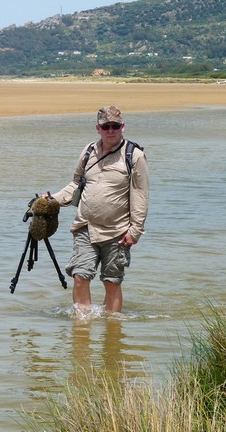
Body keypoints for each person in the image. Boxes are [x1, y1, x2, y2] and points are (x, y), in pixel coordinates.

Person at [49, 105, 149, 313]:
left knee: (111, 282)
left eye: (115, 126)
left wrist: (135, 231)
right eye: (106, 127)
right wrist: (51, 200)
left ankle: (112, 332)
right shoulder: (88, 152)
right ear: (98, 128)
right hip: (85, 226)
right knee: (80, 277)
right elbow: (75, 184)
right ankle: (82, 328)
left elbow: (140, 195)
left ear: (123, 127)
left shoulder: (134, 155)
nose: (110, 130)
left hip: (117, 231)